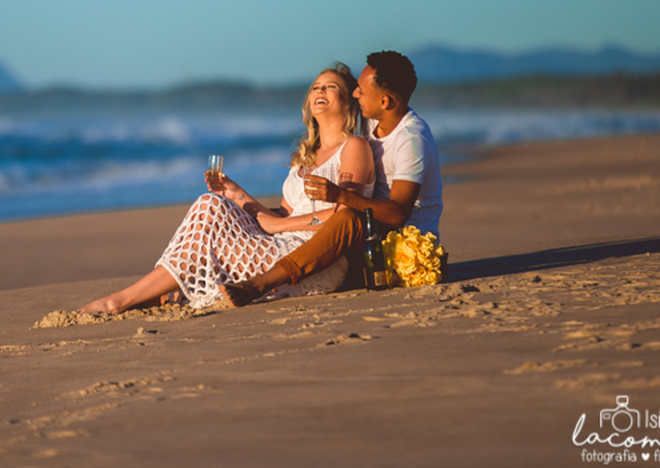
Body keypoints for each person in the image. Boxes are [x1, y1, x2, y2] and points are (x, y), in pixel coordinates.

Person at [77, 63, 375, 315]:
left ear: (349, 102)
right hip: (282, 242)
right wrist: (237, 194)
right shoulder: (304, 157)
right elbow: (282, 216)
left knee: (214, 244)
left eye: (331, 87)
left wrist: (280, 224)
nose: (320, 91)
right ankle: (148, 292)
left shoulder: (354, 147)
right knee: (211, 204)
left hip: (313, 260)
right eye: (316, 87)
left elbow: (345, 213)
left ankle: (125, 299)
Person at [220, 50, 442, 307]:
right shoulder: (375, 122)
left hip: (400, 250)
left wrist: (340, 195)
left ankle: (260, 283)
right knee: (247, 217)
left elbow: (397, 214)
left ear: (385, 102)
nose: (356, 94)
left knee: (346, 217)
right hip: (367, 235)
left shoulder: (411, 140)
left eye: (360, 91)